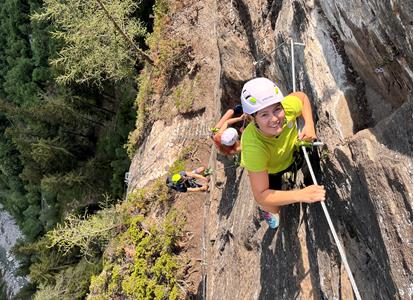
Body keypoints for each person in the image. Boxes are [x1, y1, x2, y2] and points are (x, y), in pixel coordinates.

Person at [240, 77, 326, 229]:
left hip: (292, 154)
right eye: (264, 114)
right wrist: (300, 195)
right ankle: (268, 211)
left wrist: (309, 124)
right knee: (273, 207)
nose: (274, 119)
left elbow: (301, 97)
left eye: (276, 109)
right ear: (253, 118)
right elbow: (261, 194)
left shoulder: (287, 110)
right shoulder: (254, 147)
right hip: (273, 171)